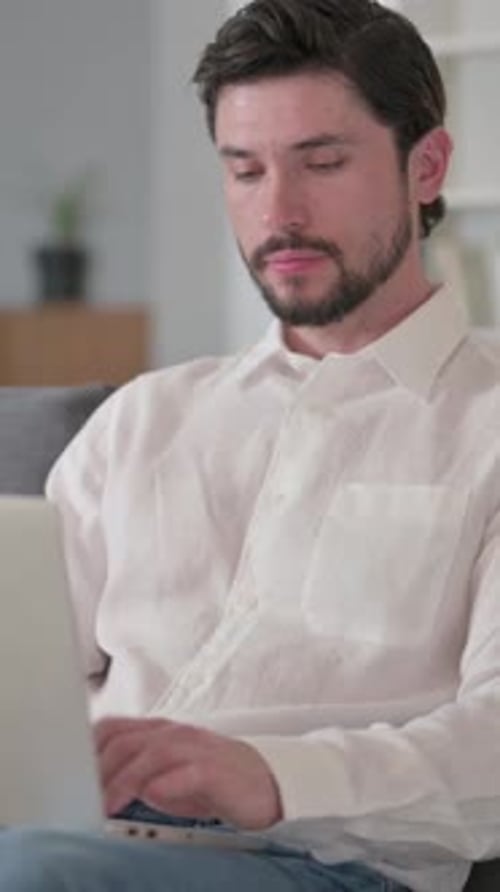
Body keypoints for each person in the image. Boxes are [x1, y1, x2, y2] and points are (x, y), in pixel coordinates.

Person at [2, 0, 500, 890]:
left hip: (325, 862)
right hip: (83, 836)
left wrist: (270, 775)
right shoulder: (146, 420)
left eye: (323, 162)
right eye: (245, 169)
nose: (280, 211)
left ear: (426, 168)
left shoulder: (484, 423)